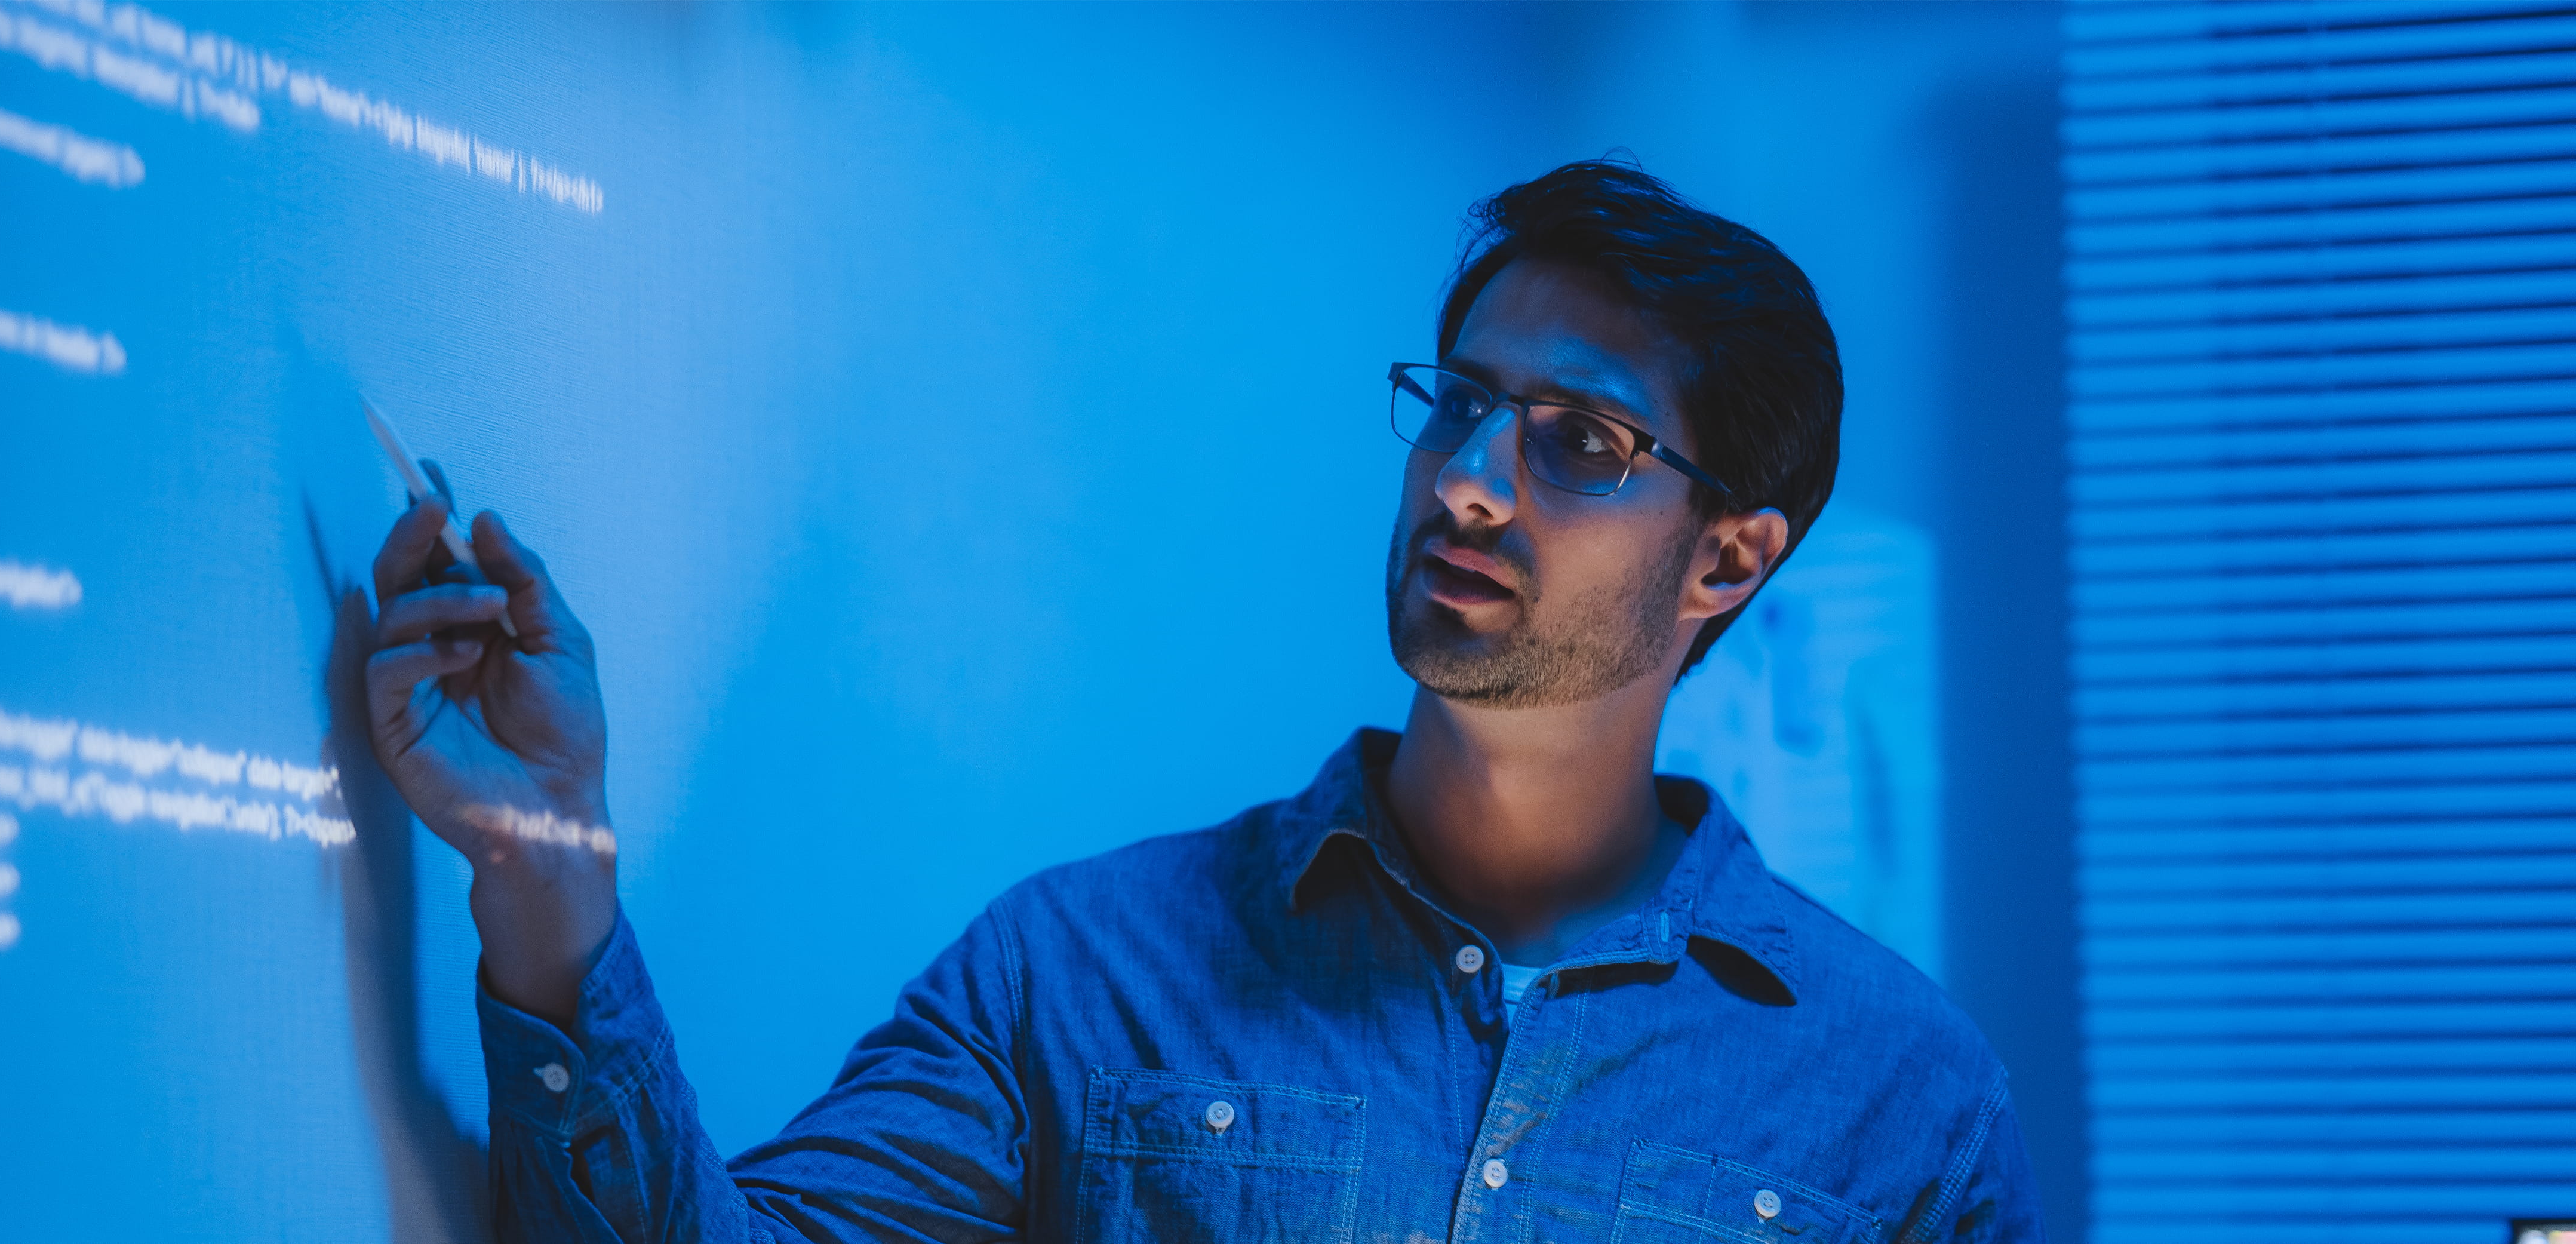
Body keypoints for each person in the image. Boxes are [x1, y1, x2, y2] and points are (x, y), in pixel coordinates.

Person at [362, 159, 2042, 1244]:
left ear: (1728, 561)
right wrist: (545, 863)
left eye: (1575, 443)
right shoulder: (1083, 969)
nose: (1467, 481)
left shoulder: (1900, 1096)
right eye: (1460, 405)